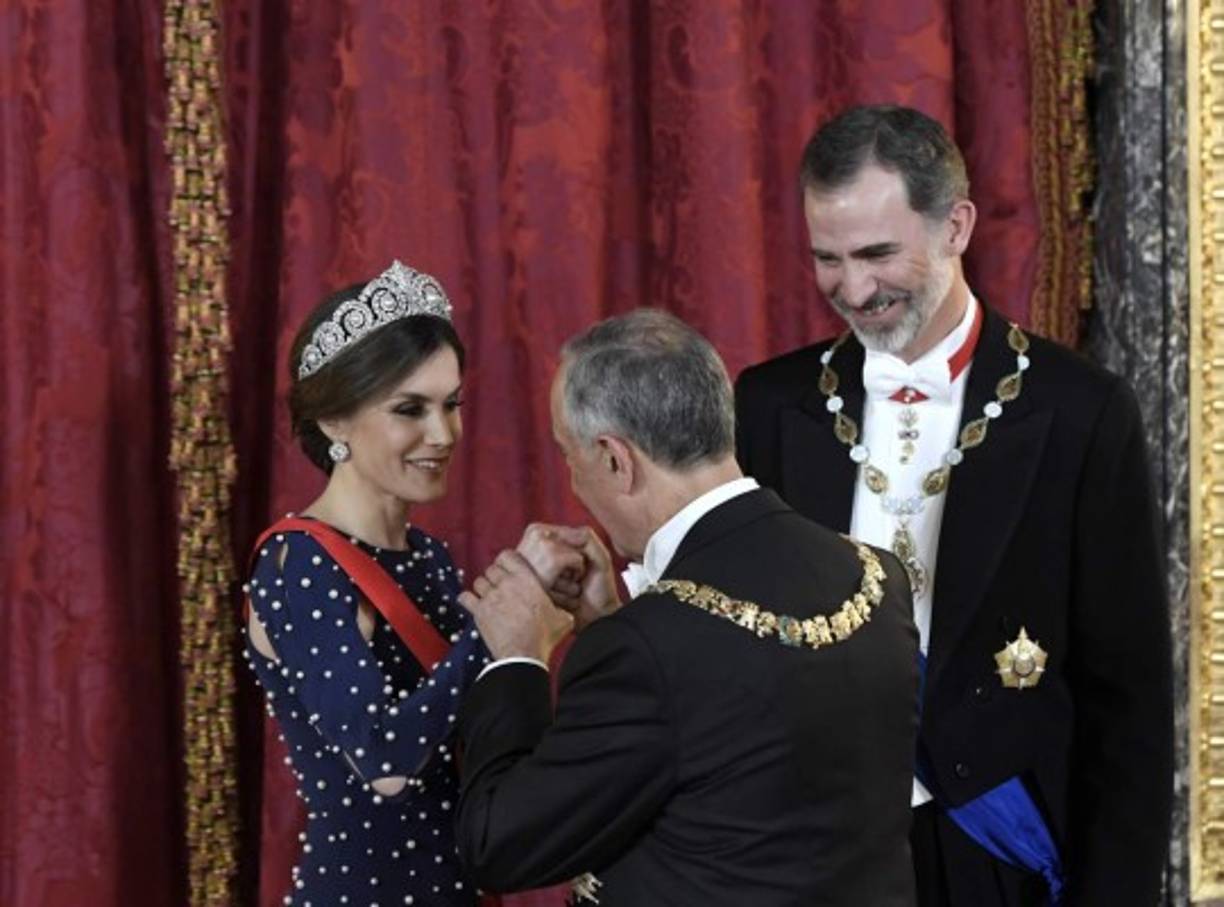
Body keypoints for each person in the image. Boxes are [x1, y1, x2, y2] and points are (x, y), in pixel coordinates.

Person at [734, 105, 1174, 906]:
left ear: (957, 227)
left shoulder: (1079, 411)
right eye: (826, 258)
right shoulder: (770, 404)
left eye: (876, 253)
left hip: (992, 853)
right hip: (811, 855)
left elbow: (1129, 705)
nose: (853, 288)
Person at [454, 309, 920, 906]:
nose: (572, 479)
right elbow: (738, 748)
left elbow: (499, 843)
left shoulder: (647, 648)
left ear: (615, 459)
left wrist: (516, 660)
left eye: (569, 456)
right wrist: (613, 622)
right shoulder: (879, 576)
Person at [242, 261, 489, 906]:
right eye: (410, 409)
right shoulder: (300, 563)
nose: (443, 435)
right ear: (334, 423)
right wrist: (494, 628)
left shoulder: (429, 556)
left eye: (451, 404)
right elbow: (383, 763)